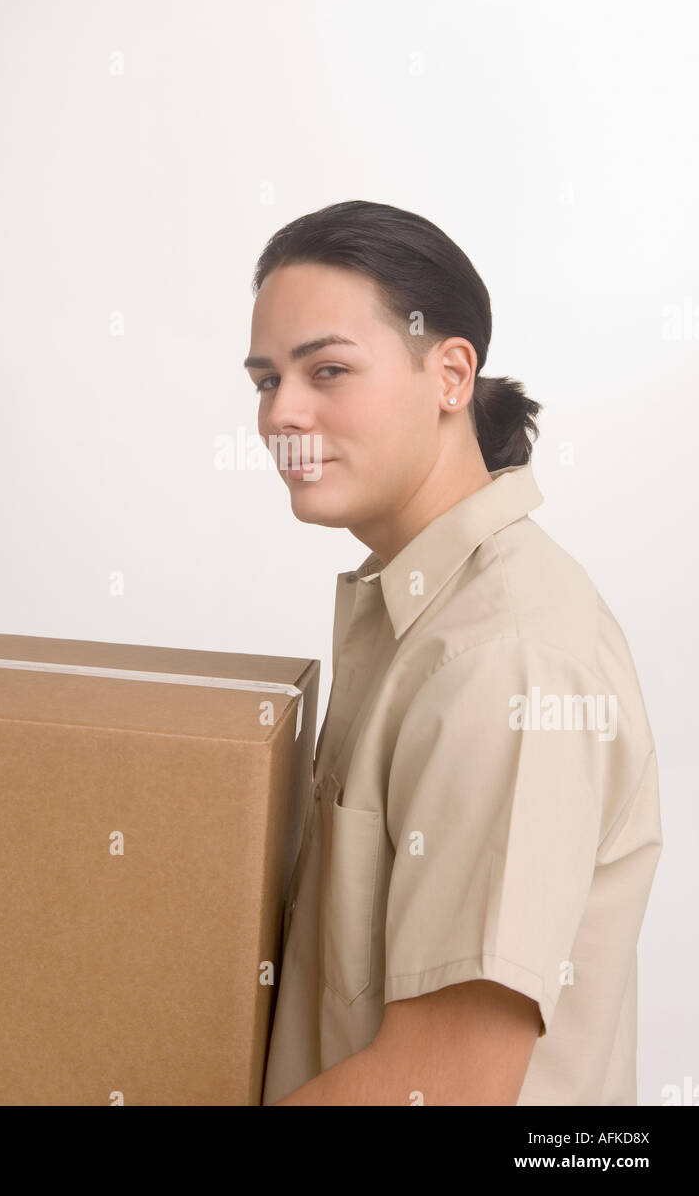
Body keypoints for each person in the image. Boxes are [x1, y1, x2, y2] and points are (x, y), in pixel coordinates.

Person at [243, 200, 663, 1106]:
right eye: (266, 380)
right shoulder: (420, 619)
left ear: (449, 372)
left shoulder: (505, 661)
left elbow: (440, 1089)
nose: (284, 412)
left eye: (327, 370)